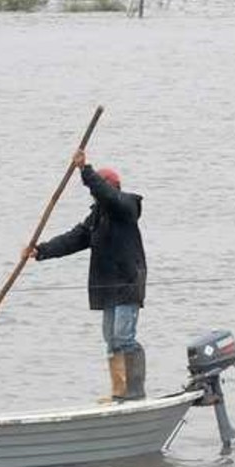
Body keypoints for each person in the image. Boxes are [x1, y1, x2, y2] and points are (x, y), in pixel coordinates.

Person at [31, 150, 147, 402]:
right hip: (108, 287)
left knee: (124, 337)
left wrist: (85, 170)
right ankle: (119, 393)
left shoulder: (127, 205)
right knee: (111, 340)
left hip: (127, 282)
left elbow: (109, 197)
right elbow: (74, 239)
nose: (96, 195)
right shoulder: (96, 217)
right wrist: (41, 251)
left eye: (99, 190)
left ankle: (135, 392)